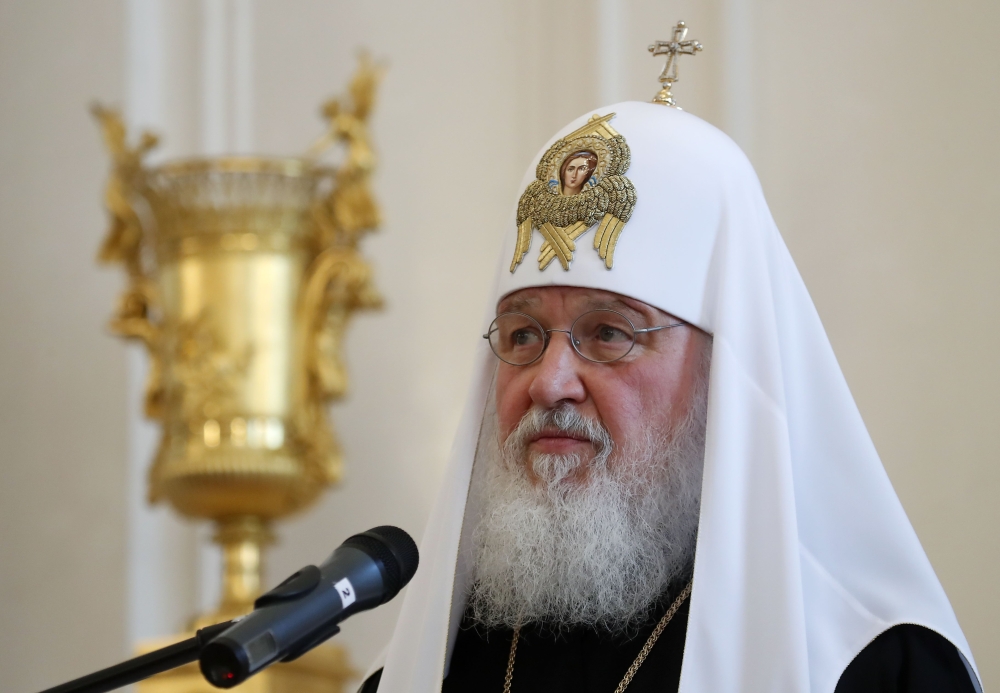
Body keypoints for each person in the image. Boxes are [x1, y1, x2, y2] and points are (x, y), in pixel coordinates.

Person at [359, 102, 982, 692]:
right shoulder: (430, 660)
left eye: (608, 333)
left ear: (723, 379)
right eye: (522, 335)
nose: (548, 383)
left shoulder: (872, 666)